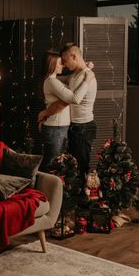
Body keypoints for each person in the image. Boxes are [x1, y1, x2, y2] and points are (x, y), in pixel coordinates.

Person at [38, 43, 98, 179]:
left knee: (78, 165)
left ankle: (80, 196)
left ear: (74, 56)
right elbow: (67, 92)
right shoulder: (68, 77)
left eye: (65, 60)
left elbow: (72, 96)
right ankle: (47, 192)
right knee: (58, 164)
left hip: (81, 127)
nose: (64, 65)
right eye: (61, 62)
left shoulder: (82, 75)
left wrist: (87, 72)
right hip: (65, 127)